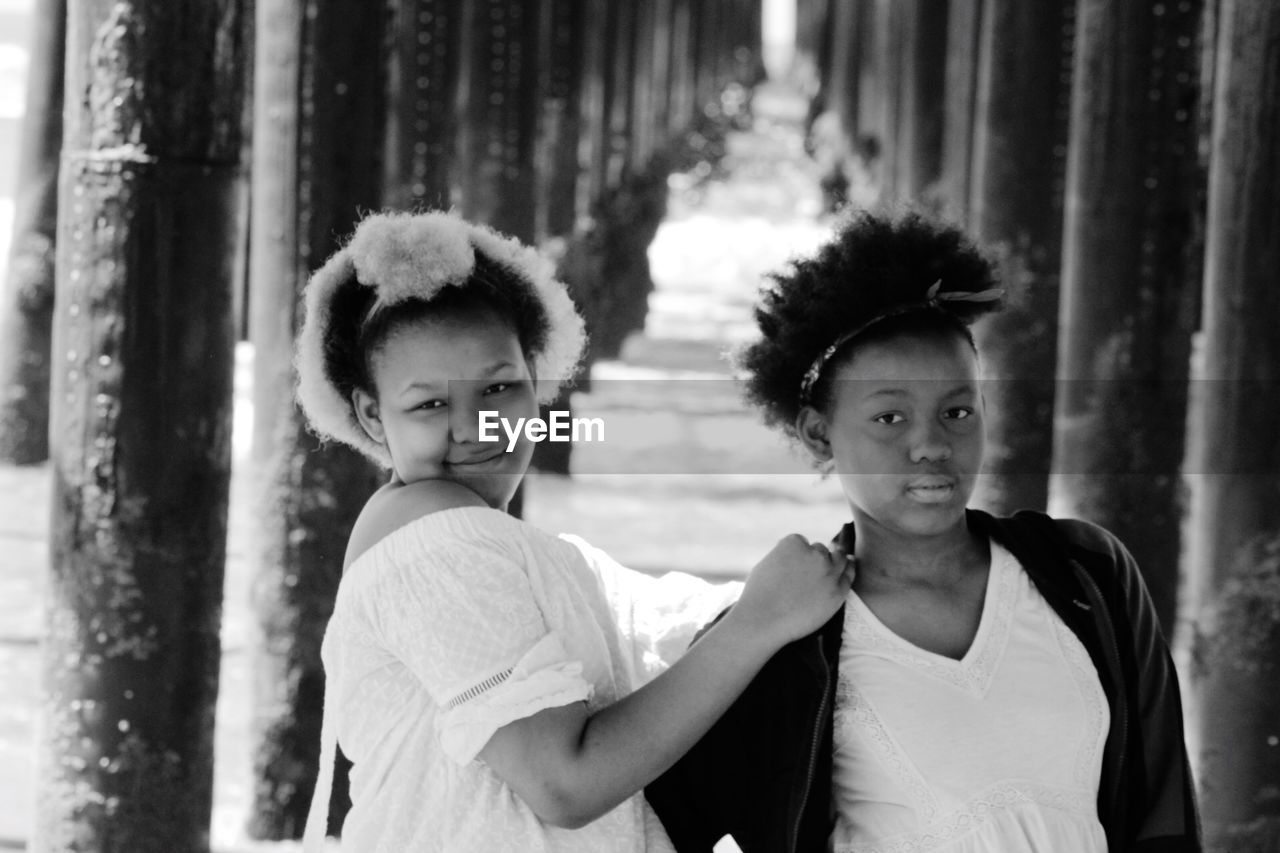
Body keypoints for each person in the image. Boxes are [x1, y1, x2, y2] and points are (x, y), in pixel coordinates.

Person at [292, 210, 856, 852]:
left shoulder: (513, 550)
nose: (477, 426)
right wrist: (758, 624)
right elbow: (565, 785)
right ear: (371, 415)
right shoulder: (430, 539)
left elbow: (653, 627)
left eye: (499, 388)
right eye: (429, 404)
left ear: (537, 382)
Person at [645, 211, 1202, 853]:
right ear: (818, 433)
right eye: (889, 417)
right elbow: (640, 814)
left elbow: (1163, 812)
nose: (931, 445)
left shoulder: (1084, 572)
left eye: (958, 411)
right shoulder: (791, 638)